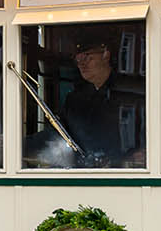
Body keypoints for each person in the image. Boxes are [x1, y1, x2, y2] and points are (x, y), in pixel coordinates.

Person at [61, 26, 145, 167]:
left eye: (87, 56)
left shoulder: (131, 92)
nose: (81, 63)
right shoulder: (74, 100)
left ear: (106, 54)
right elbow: (60, 135)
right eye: (78, 59)